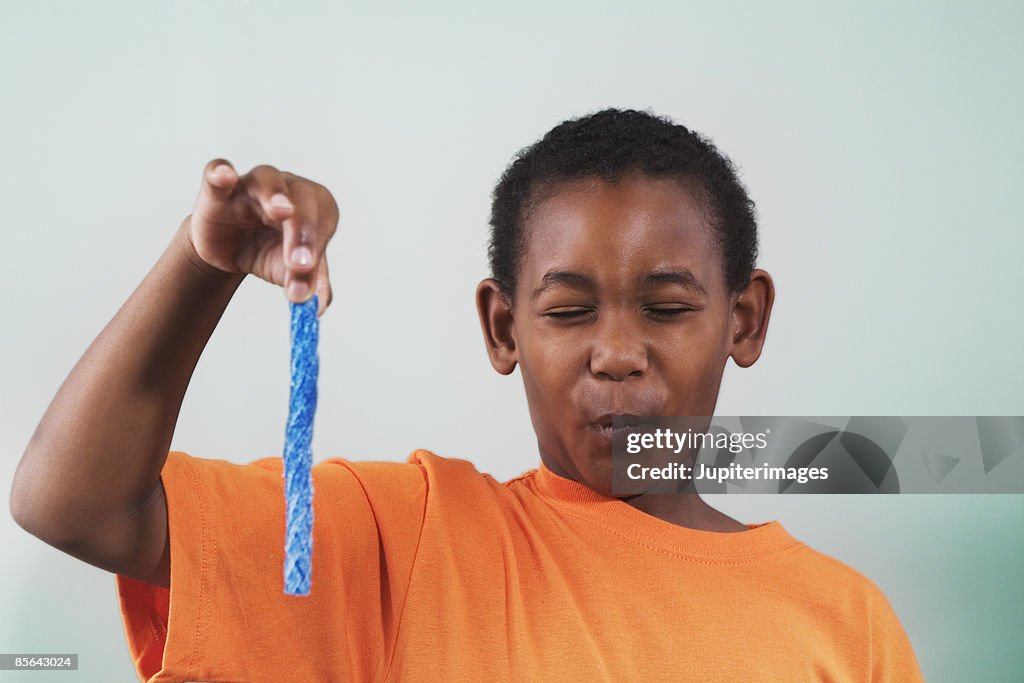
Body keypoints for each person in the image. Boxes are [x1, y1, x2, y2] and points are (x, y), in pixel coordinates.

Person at [10, 108, 924, 681]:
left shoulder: (848, 623)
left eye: (667, 306)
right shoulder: (407, 541)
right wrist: (201, 264)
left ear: (745, 319)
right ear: (502, 329)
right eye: (568, 311)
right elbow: (74, 503)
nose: (615, 353)